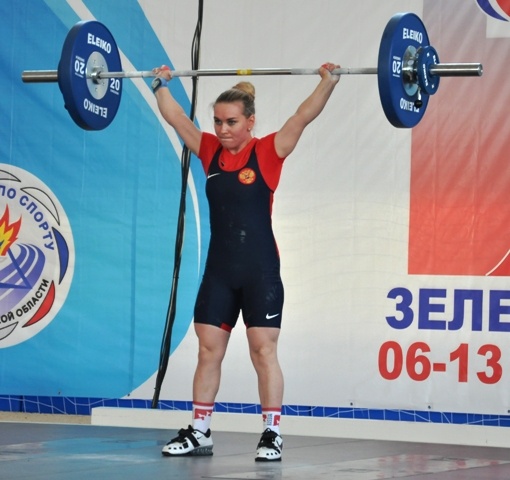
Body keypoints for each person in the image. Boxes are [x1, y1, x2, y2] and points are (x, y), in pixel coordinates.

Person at [151, 62, 340, 462]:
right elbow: (176, 117)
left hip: (260, 271)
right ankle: (200, 430)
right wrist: (159, 84)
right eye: (218, 122)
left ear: (250, 122)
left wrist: (329, 81)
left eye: (231, 122)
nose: (222, 130)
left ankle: (272, 433)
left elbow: (302, 116)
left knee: (262, 352)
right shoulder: (208, 151)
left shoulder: (268, 151)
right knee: (208, 351)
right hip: (220, 272)